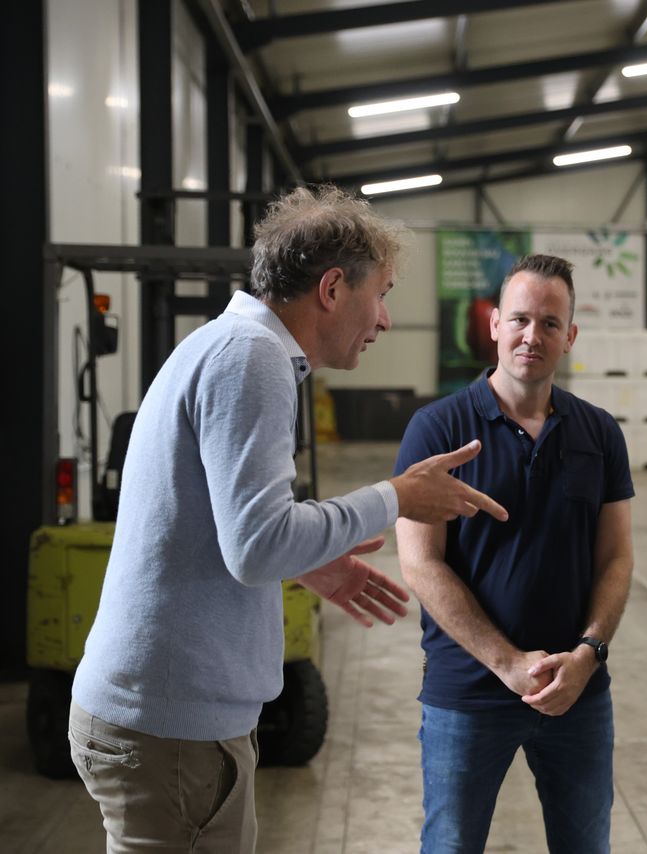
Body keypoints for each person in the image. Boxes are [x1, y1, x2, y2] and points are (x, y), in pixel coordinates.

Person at [69, 185, 507, 853]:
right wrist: (397, 495)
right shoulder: (253, 360)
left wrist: (304, 562)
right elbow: (255, 543)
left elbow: (225, 529)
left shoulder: (228, 347)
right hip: (171, 729)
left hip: (162, 718)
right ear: (333, 288)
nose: (385, 319)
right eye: (381, 293)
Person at [395, 253, 634, 854]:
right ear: (495, 324)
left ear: (570, 336)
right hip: (469, 692)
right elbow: (421, 562)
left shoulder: (599, 433)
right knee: (450, 845)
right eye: (521, 319)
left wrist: (587, 654)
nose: (534, 335)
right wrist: (505, 661)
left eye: (551, 324)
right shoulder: (438, 429)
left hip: (576, 693)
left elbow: (616, 558)